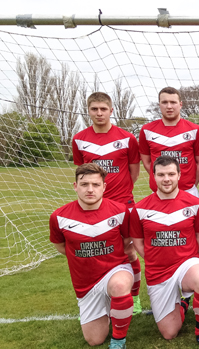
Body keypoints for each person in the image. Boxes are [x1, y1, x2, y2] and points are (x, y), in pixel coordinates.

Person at [130, 156, 199, 349]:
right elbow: (138, 242)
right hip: (158, 272)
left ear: (179, 175)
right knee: (170, 333)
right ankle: (183, 304)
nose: (166, 179)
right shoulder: (140, 208)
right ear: (153, 177)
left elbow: (198, 237)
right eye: (161, 174)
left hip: (186, 263)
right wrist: (155, 258)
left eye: (171, 174)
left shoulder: (194, 203)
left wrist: (186, 256)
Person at [49, 163, 134, 349]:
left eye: (95, 184)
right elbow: (61, 245)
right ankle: (110, 310)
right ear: (75, 186)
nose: (90, 189)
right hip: (85, 282)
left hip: (116, 269)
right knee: (94, 340)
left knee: (120, 286)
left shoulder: (120, 211)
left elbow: (127, 242)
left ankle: (118, 342)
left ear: (104, 187)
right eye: (84, 184)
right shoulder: (59, 217)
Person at [72, 92, 143, 315]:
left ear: (111, 110)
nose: (99, 113)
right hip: (93, 207)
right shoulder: (79, 139)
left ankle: (135, 295)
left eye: (103, 109)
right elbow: (82, 173)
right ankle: (101, 293)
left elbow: (133, 172)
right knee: (100, 251)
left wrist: (117, 195)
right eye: (95, 109)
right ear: (89, 111)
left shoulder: (127, 138)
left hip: (123, 204)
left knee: (128, 250)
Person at [139, 86, 199, 198]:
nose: (169, 106)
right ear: (159, 104)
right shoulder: (147, 130)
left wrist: (191, 185)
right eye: (164, 102)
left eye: (173, 102)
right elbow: (147, 163)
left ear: (180, 104)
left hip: (188, 191)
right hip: (158, 192)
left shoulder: (194, 130)